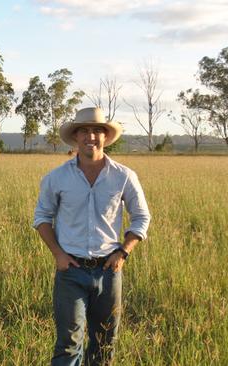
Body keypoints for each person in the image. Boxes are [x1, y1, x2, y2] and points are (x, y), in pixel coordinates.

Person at [33, 107, 151, 365]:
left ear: (106, 137)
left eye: (97, 131)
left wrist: (124, 251)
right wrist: (58, 254)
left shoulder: (124, 176)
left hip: (109, 270)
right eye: (84, 131)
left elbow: (142, 217)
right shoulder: (57, 177)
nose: (91, 137)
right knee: (68, 343)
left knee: (104, 342)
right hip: (70, 271)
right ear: (75, 137)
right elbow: (42, 217)